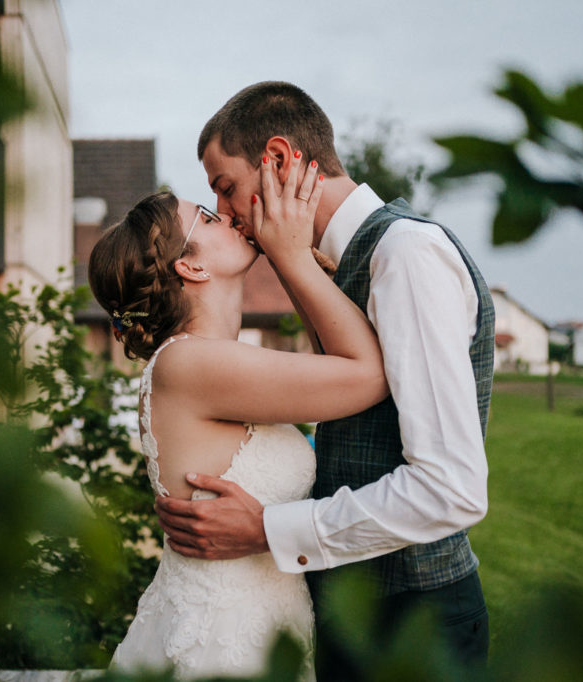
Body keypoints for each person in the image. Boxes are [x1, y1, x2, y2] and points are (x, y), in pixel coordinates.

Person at [155, 81, 495, 678]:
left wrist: (268, 528)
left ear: (279, 160)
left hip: (414, 624)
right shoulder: (334, 263)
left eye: (225, 188)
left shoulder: (406, 255)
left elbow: (450, 488)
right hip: (353, 610)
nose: (227, 214)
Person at [88, 157, 389, 680]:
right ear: (192, 266)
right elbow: (368, 376)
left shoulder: (209, 361)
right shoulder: (191, 363)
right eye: (206, 217)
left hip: (257, 622)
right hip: (224, 644)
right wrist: (290, 256)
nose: (227, 217)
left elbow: (334, 369)